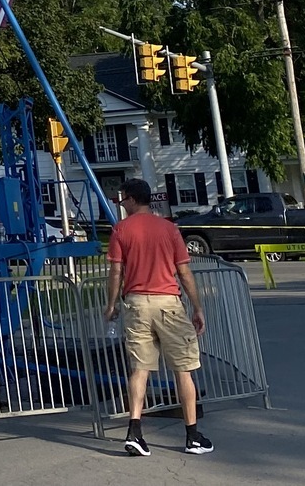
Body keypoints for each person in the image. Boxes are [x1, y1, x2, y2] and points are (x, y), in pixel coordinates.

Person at [104, 179, 212, 457]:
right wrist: (197, 307)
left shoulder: (121, 230)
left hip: (136, 304)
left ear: (131, 199)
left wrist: (111, 303)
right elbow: (184, 272)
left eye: (123, 200)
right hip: (168, 303)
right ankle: (192, 435)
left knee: (140, 369)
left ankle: (135, 432)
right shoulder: (169, 229)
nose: (122, 205)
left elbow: (116, 271)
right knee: (183, 369)